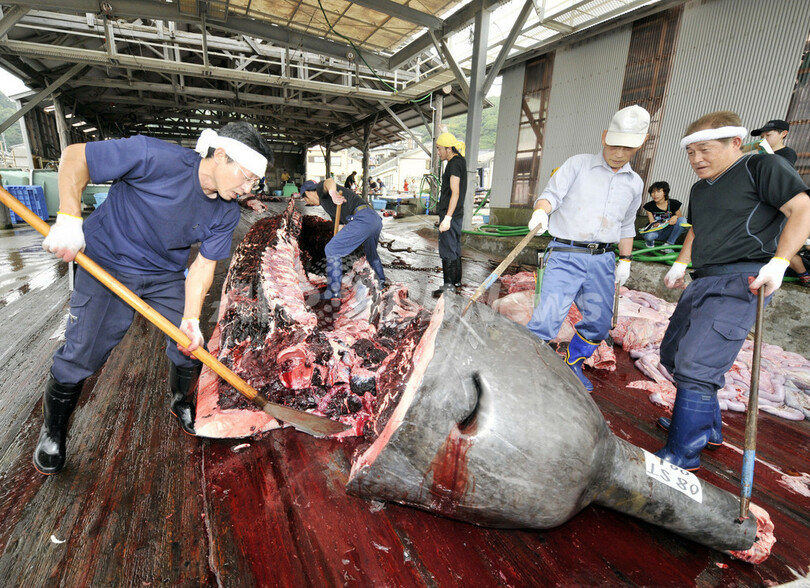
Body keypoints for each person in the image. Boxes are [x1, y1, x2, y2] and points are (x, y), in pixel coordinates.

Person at [34, 122, 273, 475]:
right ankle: (53, 431)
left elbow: (203, 267)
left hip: (164, 274)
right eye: (247, 177)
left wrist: (190, 318)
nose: (248, 188)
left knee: (190, 345)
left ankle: (182, 402)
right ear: (221, 155)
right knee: (82, 351)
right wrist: (69, 217)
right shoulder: (153, 156)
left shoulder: (226, 211)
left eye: (254, 182)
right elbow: (74, 157)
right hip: (107, 262)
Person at [656, 110, 810, 471]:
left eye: (705, 150)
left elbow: (802, 208)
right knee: (674, 354)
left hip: (743, 279)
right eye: (691, 153)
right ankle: (706, 428)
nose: (696, 159)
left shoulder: (761, 167)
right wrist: (681, 263)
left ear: (735, 143)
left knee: (697, 363)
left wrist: (780, 262)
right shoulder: (699, 188)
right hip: (704, 278)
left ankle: (682, 454)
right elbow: (697, 229)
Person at [525, 105, 650, 391]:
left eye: (627, 149)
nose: (619, 153)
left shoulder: (634, 183)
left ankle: (573, 363)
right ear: (604, 136)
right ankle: (528, 369)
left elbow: (627, 224)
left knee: (600, 322)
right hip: (565, 254)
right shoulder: (577, 165)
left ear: (639, 146)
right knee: (546, 320)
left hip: (602, 259)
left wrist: (626, 260)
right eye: (614, 145)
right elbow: (550, 196)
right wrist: (541, 211)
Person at [300, 178, 385, 300]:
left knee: (331, 249)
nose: (308, 203)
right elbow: (339, 227)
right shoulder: (328, 206)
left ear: (308, 192)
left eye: (305, 199)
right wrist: (335, 245)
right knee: (371, 255)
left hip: (362, 218)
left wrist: (333, 194)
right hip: (374, 220)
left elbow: (328, 181)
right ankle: (381, 283)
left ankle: (333, 292)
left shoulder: (321, 191)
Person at [433, 132, 467, 297]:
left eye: (439, 149)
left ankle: (448, 286)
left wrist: (447, 218)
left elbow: (455, 192)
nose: (438, 152)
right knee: (455, 248)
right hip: (457, 213)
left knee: (447, 249)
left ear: (448, 148)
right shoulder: (460, 160)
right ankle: (456, 282)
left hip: (451, 213)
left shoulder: (453, 165)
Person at [641, 181, 689, 252]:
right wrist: (655, 224)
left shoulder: (673, 204)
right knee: (650, 236)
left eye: (658, 191)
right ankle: (649, 243)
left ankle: (669, 244)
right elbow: (652, 222)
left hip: (668, 231)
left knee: (683, 220)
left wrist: (675, 217)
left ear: (665, 192)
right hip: (656, 231)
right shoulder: (649, 206)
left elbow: (681, 219)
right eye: (653, 192)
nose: (655, 195)